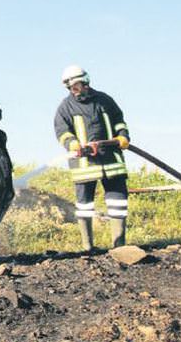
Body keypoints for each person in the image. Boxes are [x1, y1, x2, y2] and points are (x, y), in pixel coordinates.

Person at [54, 65, 131, 252]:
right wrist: (72, 143)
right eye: (72, 88)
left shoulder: (105, 100)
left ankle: (119, 245)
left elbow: (119, 120)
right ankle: (88, 248)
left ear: (86, 82)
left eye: (78, 86)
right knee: (84, 205)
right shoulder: (65, 107)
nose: (76, 90)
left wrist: (123, 136)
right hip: (84, 165)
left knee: (118, 202)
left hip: (112, 161)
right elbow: (61, 130)